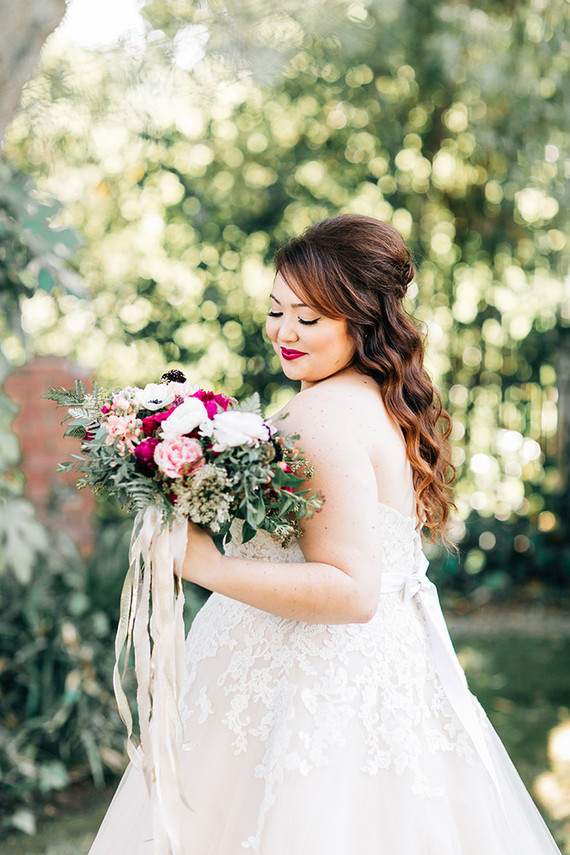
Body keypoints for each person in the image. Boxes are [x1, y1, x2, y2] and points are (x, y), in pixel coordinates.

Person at [88, 214, 562, 854]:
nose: (285, 332)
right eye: (277, 311)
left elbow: (351, 591)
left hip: (312, 685)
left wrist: (202, 564)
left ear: (360, 323)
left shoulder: (323, 416)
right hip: (358, 674)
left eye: (309, 319)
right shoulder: (367, 397)